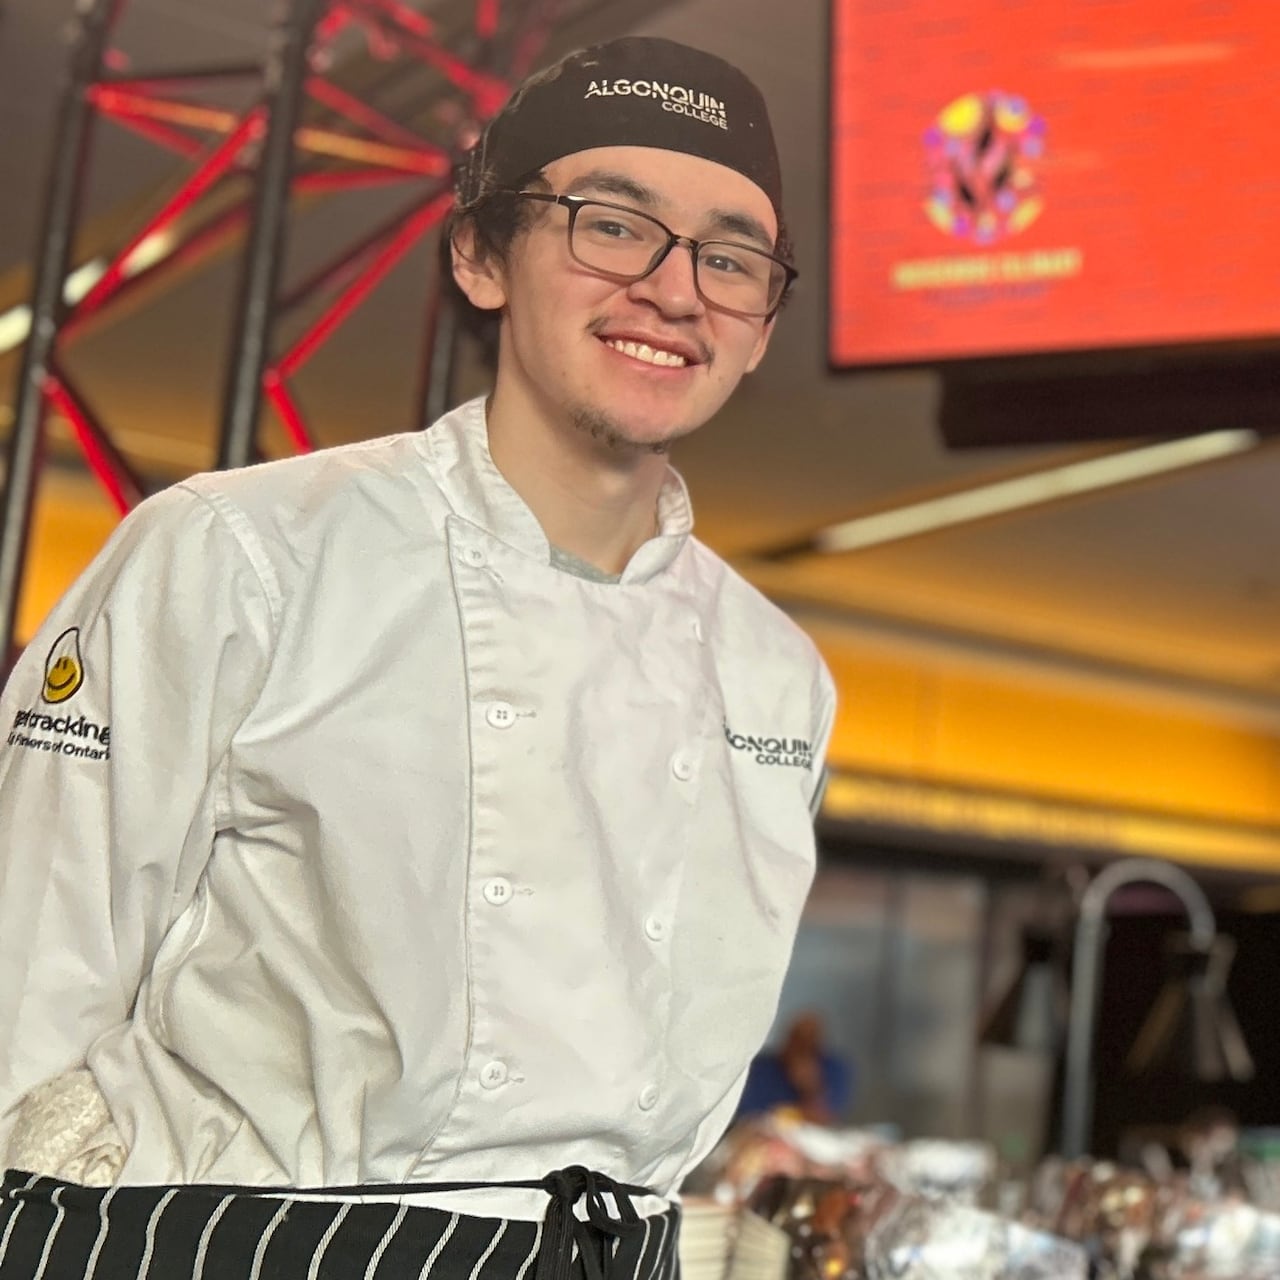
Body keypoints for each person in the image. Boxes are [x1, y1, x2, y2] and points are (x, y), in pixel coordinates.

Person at [0, 35, 835, 1280]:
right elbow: (28, 974)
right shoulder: (239, 550)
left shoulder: (779, 675)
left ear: (762, 321)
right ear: (479, 254)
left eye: (730, 257)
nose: (675, 289)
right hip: (256, 1243)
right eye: (612, 224)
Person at [736, 1012, 853, 1125]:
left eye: (809, 1039)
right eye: (798, 1038)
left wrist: (809, 1086)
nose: (802, 1046)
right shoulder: (761, 1067)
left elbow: (824, 1118)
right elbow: (748, 1117)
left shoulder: (835, 1069)